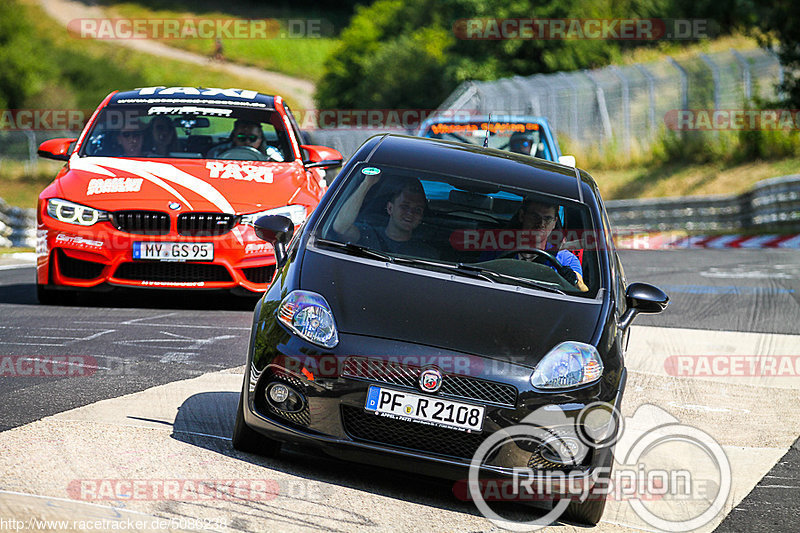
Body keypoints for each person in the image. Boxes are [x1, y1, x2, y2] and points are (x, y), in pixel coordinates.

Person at [331, 174, 438, 258]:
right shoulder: (368, 235)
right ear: (390, 208)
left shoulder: (426, 254)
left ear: (421, 216)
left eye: (417, 210)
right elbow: (340, 227)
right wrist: (367, 183)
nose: (410, 213)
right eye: (405, 206)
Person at [511, 198, 589, 292]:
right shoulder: (496, 251)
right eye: (535, 216)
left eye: (547, 219)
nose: (541, 224)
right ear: (522, 216)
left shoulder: (565, 260)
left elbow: (584, 291)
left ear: (554, 223)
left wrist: (574, 281)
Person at [207, 119, 283, 160]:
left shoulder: (271, 153)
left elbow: (282, 169)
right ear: (234, 138)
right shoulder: (217, 152)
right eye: (241, 137)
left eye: (252, 138)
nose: (247, 142)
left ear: (260, 140)